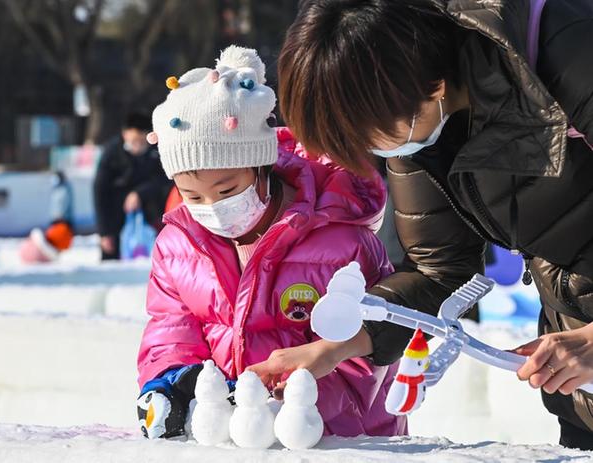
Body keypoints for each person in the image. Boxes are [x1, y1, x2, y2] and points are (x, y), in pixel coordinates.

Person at [274, 0, 593, 450]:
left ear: (433, 84)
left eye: (369, 134)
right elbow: (438, 271)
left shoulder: (570, 52)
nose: (370, 150)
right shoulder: (416, 125)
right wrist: (340, 345)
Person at [135, 46, 406, 440]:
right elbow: (171, 328)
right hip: (231, 436)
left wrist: (292, 401)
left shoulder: (341, 242)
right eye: (192, 196)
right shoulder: (178, 245)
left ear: (263, 167)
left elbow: (373, 349)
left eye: (227, 189)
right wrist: (173, 382)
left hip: (336, 437)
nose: (213, 207)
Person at [93, 112, 171, 260]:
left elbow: (165, 178)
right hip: (115, 216)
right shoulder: (111, 153)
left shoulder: (156, 151)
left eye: (142, 142)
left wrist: (139, 193)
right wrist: (104, 233)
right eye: (134, 141)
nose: (138, 146)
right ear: (125, 134)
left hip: (149, 216)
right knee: (111, 259)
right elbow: (100, 191)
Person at [19, 171, 75, 263]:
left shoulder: (64, 189)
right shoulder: (57, 190)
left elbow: (62, 205)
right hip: (57, 222)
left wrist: (60, 217)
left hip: (61, 221)